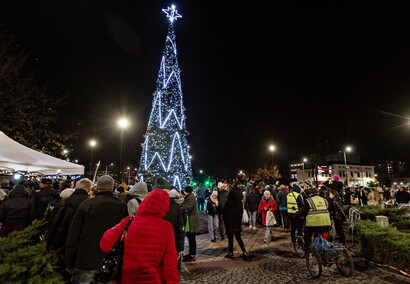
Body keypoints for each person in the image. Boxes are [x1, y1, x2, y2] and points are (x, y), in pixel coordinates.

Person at [100, 189, 180, 284]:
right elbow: (170, 262)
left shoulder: (129, 221)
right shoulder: (166, 227)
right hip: (153, 279)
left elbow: (105, 244)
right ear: (165, 208)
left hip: (126, 278)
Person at [65, 175, 127, 283]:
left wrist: (69, 260)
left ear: (97, 187)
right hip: (109, 260)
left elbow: (74, 235)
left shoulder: (87, 205)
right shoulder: (122, 206)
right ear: (112, 188)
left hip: (86, 259)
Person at [154, 177, 185, 271]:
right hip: (172, 244)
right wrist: (179, 248)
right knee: (172, 272)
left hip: (155, 246)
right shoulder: (175, 206)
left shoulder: (151, 203)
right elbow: (180, 228)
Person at [223, 181, 251, 261]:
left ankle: (231, 252)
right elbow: (241, 213)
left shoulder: (228, 203)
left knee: (230, 238)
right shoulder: (239, 203)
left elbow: (225, 213)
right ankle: (244, 252)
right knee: (238, 237)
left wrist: (226, 222)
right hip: (237, 223)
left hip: (230, 223)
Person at [182, 185, 200, 262]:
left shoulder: (190, 197)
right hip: (189, 221)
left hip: (191, 221)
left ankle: (192, 254)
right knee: (190, 237)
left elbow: (187, 209)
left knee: (192, 238)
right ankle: (191, 253)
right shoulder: (189, 197)